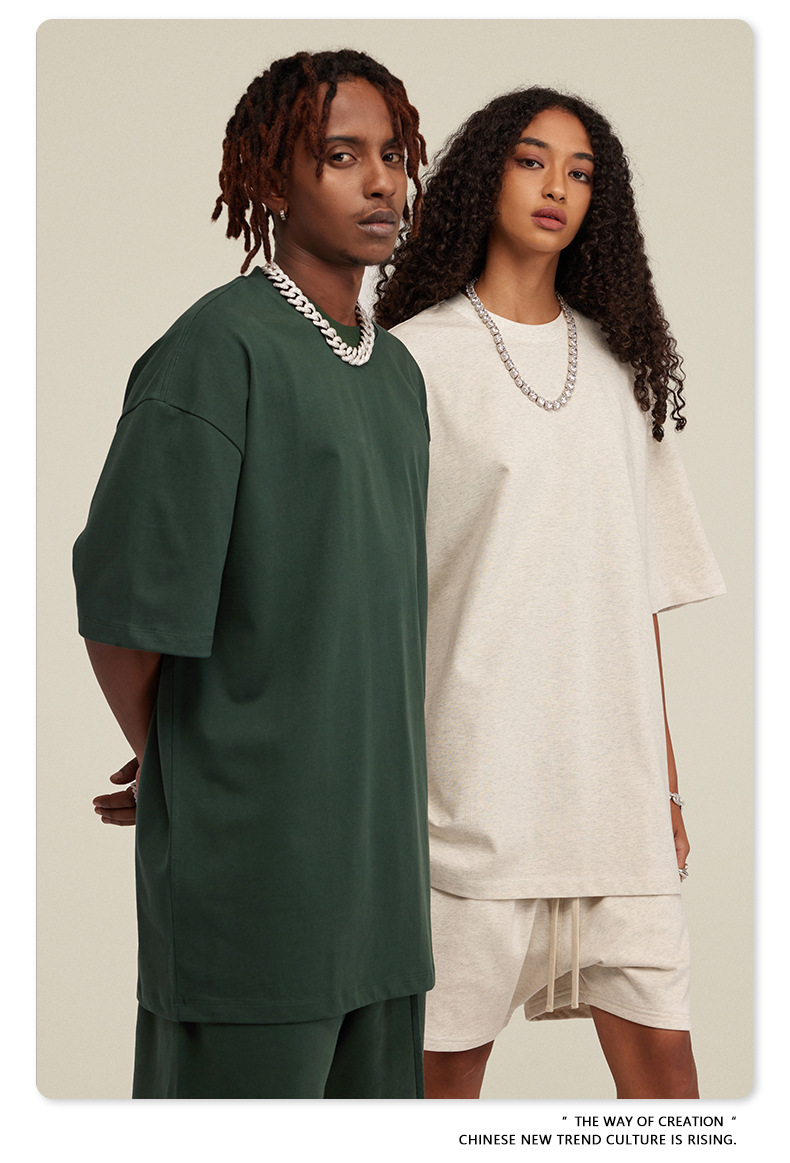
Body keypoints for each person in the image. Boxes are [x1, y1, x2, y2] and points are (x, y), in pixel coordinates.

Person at [74, 48, 434, 1099]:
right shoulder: (215, 351)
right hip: (256, 887)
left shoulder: (396, 374)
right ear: (272, 180)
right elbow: (124, 614)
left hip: (382, 887)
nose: (381, 182)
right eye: (342, 156)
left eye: (393, 155)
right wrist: (187, 761)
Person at [376, 86, 725, 1100]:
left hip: (615, 808)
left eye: (580, 172)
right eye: (532, 160)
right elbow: (371, 600)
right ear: (484, 176)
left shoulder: (620, 372)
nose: (557, 187)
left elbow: (637, 599)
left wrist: (665, 788)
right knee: (436, 1091)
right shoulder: (413, 361)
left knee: (669, 1093)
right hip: (467, 806)